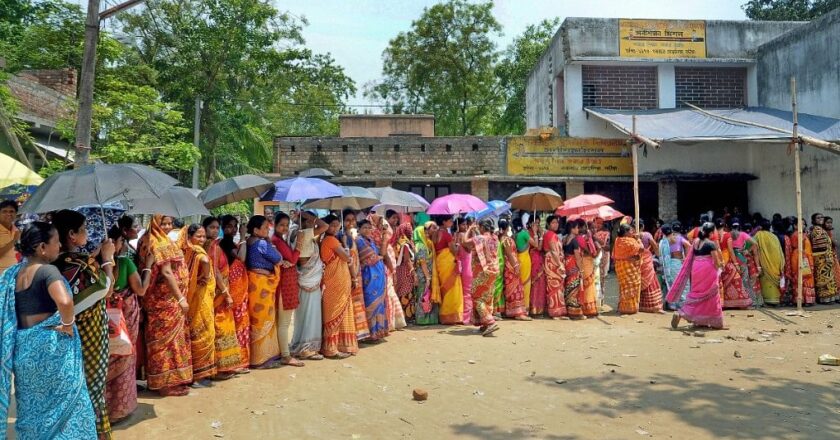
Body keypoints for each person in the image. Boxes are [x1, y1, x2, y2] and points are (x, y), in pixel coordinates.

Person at [0, 222, 97, 438]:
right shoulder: (47, 271)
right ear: (42, 247)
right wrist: (68, 324)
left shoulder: (15, 274)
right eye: (56, 242)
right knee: (70, 409)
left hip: (24, 351)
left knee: (33, 410)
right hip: (51, 352)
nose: (60, 246)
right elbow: (64, 301)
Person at [52, 209, 115, 437]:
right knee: (91, 389)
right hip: (89, 338)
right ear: (71, 234)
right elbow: (107, 288)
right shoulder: (81, 263)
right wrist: (107, 257)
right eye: (84, 229)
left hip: (62, 335)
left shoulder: (53, 263)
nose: (87, 232)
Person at [140, 214, 193, 397]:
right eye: (164, 223)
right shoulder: (156, 242)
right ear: (156, 223)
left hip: (164, 300)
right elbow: (167, 272)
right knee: (164, 343)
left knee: (171, 342)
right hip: (163, 301)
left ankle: (171, 380)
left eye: (170, 223)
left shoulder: (156, 239)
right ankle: (164, 384)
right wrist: (180, 299)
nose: (169, 226)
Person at [105, 226, 149, 422]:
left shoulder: (95, 265)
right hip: (124, 318)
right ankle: (120, 407)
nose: (123, 245)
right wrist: (148, 267)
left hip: (104, 320)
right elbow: (140, 290)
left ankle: (102, 408)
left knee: (105, 359)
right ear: (113, 243)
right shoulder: (125, 263)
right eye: (121, 241)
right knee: (125, 355)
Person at [201, 217, 241, 380]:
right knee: (219, 327)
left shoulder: (215, 245)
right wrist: (225, 292)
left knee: (224, 326)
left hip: (219, 292)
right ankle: (218, 368)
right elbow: (215, 271)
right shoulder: (211, 248)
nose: (215, 230)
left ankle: (226, 366)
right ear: (204, 229)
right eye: (211, 227)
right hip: (217, 294)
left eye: (217, 227)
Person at [178, 224, 218, 385]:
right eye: (198, 236)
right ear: (189, 237)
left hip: (193, 296)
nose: (201, 239)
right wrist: (206, 276)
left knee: (197, 332)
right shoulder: (197, 252)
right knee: (204, 333)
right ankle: (199, 375)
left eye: (203, 236)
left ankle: (195, 373)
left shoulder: (184, 251)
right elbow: (206, 260)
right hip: (199, 298)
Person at [668, 222, 725, 329]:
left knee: (696, 293)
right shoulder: (711, 244)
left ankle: (682, 313)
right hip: (708, 270)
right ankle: (715, 322)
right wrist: (722, 265)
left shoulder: (696, 241)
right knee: (712, 294)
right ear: (712, 232)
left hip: (696, 268)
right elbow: (717, 263)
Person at [243, 215, 282, 369]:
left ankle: (255, 357)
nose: (268, 229)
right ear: (256, 230)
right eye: (265, 227)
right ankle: (261, 358)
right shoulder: (262, 244)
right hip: (262, 284)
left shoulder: (248, 241)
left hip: (253, 282)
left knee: (255, 318)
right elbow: (278, 259)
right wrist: (271, 244)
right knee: (264, 317)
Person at [319, 215, 359, 358]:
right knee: (334, 311)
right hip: (335, 280)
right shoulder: (330, 240)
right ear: (327, 226)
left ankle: (340, 345)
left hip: (339, 280)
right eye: (332, 225)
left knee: (338, 310)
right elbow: (346, 258)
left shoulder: (329, 239)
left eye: (337, 225)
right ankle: (331, 348)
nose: (335, 228)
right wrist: (344, 244)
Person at [290, 211, 328, 359]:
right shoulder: (305, 233)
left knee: (304, 314)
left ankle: (301, 344)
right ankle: (307, 348)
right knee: (311, 314)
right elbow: (324, 226)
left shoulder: (298, 234)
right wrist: (309, 215)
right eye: (311, 221)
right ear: (305, 222)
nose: (314, 224)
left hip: (305, 279)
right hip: (309, 279)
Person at [270, 212, 304, 367]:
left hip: (287, 283)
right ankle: (286, 355)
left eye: (286, 224)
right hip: (284, 285)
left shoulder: (280, 240)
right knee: (284, 323)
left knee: (282, 322)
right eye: (281, 224)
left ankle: (283, 351)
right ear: (275, 225)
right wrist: (300, 245)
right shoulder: (276, 240)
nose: (284, 227)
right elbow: (292, 259)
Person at [219, 215, 250, 372]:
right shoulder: (225, 243)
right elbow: (241, 258)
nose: (233, 228)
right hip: (233, 287)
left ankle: (241, 359)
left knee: (241, 322)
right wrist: (244, 236)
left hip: (237, 286)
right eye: (230, 226)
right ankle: (238, 361)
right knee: (238, 322)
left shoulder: (230, 243)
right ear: (223, 227)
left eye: (235, 225)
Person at [460, 219, 500, 336]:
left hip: (482, 272)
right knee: (487, 297)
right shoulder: (494, 238)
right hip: (493, 271)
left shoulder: (480, 239)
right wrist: (476, 231)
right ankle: (484, 324)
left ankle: (490, 322)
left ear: (482, 227)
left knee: (477, 298)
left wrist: (470, 229)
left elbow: (465, 242)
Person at [338, 210, 370, 340]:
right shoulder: (341, 236)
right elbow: (347, 258)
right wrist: (353, 276)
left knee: (357, 303)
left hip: (357, 273)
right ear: (342, 221)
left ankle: (359, 333)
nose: (351, 223)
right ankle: (351, 334)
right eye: (348, 220)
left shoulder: (352, 236)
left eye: (353, 220)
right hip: (349, 274)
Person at [357, 220, 390, 340]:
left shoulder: (370, 241)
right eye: (364, 227)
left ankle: (378, 332)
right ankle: (370, 334)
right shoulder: (359, 241)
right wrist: (380, 256)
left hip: (378, 277)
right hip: (369, 277)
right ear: (359, 229)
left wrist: (384, 238)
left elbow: (381, 253)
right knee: (370, 302)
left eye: (369, 228)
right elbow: (373, 258)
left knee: (379, 304)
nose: (367, 230)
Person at [721, 219, 761, 309]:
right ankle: (750, 302)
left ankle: (729, 303)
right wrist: (746, 251)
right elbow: (755, 243)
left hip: (731, 260)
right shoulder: (743, 234)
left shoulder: (727, 235)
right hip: (741, 259)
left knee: (731, 282)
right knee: (745, 282)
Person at [434, 216, 463, 325]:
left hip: (440, 262)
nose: (451, 222)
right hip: (448, 263)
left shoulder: (435, 233)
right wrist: (457, 246)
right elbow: (454, 251)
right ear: (444, 221)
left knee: (444, 288)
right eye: (450, 221)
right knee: (453, 288)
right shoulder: (446, 234)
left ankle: (444, 315)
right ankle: (451, 316)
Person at [499, 220, 530, 320]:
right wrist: (516, 266)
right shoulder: (506, 240)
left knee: (511, 288)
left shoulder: (502, 238)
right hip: (511, 266)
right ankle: (517, 312)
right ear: (506, 228)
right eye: (508, 227)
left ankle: (512, 311)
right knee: (516, 289)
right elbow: (509, 254)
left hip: (509, 266)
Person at [784, 219, 816, 306]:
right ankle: (802, 299)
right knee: (802, 277)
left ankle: (807, 299)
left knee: (806, 278)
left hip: (805, 257)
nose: (803, 226)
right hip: (799, 257)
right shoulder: (796, 234)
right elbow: (798, 246)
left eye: (804, 224)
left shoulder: (803, 234)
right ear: (795, 226)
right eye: (800, 224)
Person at [413, 222, 440, 325]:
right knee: (422, 296)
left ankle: (430, 319)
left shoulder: (427, 243)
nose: (427, 234)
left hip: (428, 274)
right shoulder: (420, 246)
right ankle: (422, 320)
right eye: (424, 232)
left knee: (428, 296)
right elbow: (422, 263)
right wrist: (428, 278)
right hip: (423, 275)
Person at [659, 224, 691, 310]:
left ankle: (672, 305)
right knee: (683, 284)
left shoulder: (663, 241)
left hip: (669, 265)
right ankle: (683, 304)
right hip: (678, 262)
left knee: (672, 284)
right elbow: (688, 245)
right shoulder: (678, 238)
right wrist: (686, 258)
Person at [613, 224, 643, 315]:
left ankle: (623, 307)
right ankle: (630, 308)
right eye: (631, 231)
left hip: (620, 266)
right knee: (632, 286)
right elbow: (641, 249)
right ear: (626, 232)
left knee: (624, 287)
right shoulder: (629, 241)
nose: (633, 232)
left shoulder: (617, 240)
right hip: (629, 267)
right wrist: (639, 240)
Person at [753, 219, 784, 306]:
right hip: (776, 262)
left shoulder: (758, 235)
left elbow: (750, 245)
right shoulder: (774, 236)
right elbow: (780, 251)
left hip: (765, 263)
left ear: (760, 227)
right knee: (772, 283)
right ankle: (775, 300)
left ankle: (767, 300)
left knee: (765, 281)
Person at [810, 213, 838, 303]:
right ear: (814, 220)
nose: (821, 219)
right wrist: (826, 257)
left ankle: (829, 297)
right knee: (823, 279)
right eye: (818, 218)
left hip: (826, 258)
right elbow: (820, 246)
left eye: (822, 217)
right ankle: (824, 298)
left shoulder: (821, 229)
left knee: (828, 278)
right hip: (822, 259)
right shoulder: (817, 230)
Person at [637, 219, 664, 313]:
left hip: (636, 261)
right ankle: (653, 305)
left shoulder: (632, 236)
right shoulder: (647, 235)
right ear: (643, 226)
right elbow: (655, 246)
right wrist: (659, 256)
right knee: (651, 281)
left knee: (638, 281)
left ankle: (638, 304)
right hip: (647, 260)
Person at [542, 215, 566, 318]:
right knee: (554, 286)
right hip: (553, 262)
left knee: (558, 286)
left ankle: (558, 311)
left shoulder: (553, 235)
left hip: (554, 261)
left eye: (556, 222)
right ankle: (554, 311)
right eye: (553, 222)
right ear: (548, 224)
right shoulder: (550, 235)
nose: (555, 224)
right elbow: (553, 251)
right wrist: (560, 264)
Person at [394, 222, 416, 322]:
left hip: (400, 270)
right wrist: (413, 273)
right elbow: (407, 259)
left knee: (402, 292)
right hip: (406, 270)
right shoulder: (405, 244)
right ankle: (406, 317)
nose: (411, 230)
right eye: (409, 228)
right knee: (406, 292)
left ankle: (404, 316)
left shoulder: (399, 241)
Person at [576, 219, 599, 316]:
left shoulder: (577, 238)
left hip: (583, 262)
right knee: (588, 285)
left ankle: (585, 307)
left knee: (585, 285)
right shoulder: (584, 238)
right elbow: (593, 253)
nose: (586, 228)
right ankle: (589, 309)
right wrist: (591, 240)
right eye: (584, 226)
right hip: (586, 262)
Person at [455, 219, 474, 324]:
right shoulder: (462, 236)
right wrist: (471, 231)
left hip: (461, 266)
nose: (466, 226)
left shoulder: (456, 236)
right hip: (467, 267)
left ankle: (462, 315)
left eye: (466, 224)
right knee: (467, 292)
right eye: (463, 224)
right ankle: (467, 317)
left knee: (463, 292)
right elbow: (470, 248)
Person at [528, 218, 547, 317]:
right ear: (531, 223)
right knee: (533, 284)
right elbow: (537, 246)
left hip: (540, 259)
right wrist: (536, 233)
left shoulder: (539, 233)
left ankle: (539, 309)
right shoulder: (528, 233)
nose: (537, 225)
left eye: (538, 223)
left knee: (541, 283)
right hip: (532, 259)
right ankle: (532, 308)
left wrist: (541, 235)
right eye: (535, 223)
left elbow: (541, 247)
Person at [513, 219, 533, 311]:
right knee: (526, 284)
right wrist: (536, 234)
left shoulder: (514, 235)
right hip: (525, 259)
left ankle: (519, 306)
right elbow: (536, 244)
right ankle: (525, 307)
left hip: (518, 259)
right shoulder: (524, 234)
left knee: (520, 283)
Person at [593, 217, 611, 306]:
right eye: (596, 223)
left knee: (602, 278)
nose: (597, 225)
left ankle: (601, 299)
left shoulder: (606, 233)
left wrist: (596, 239)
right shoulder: (590, 233)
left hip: (603, 258)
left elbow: (607, 247)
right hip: (593, 258)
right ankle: (594, 299)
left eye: (600, 223)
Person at [0, 200, 20, 275]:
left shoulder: (16, 230)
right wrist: (14, 241)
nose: (8, 214)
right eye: (4, 211)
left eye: (12, 211)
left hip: (14, 275)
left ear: (16, 214)